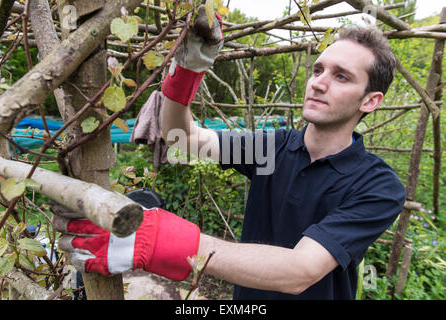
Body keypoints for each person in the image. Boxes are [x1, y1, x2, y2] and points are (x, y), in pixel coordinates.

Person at [53, 12, 406, 300]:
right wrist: (187, 73)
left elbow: (300, 271)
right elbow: (182, 137)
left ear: (369, 101)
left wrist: (163, 239)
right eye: (318, 69)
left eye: (341, 76)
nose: (318, 82)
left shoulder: (377, 185)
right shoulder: (273, 149)